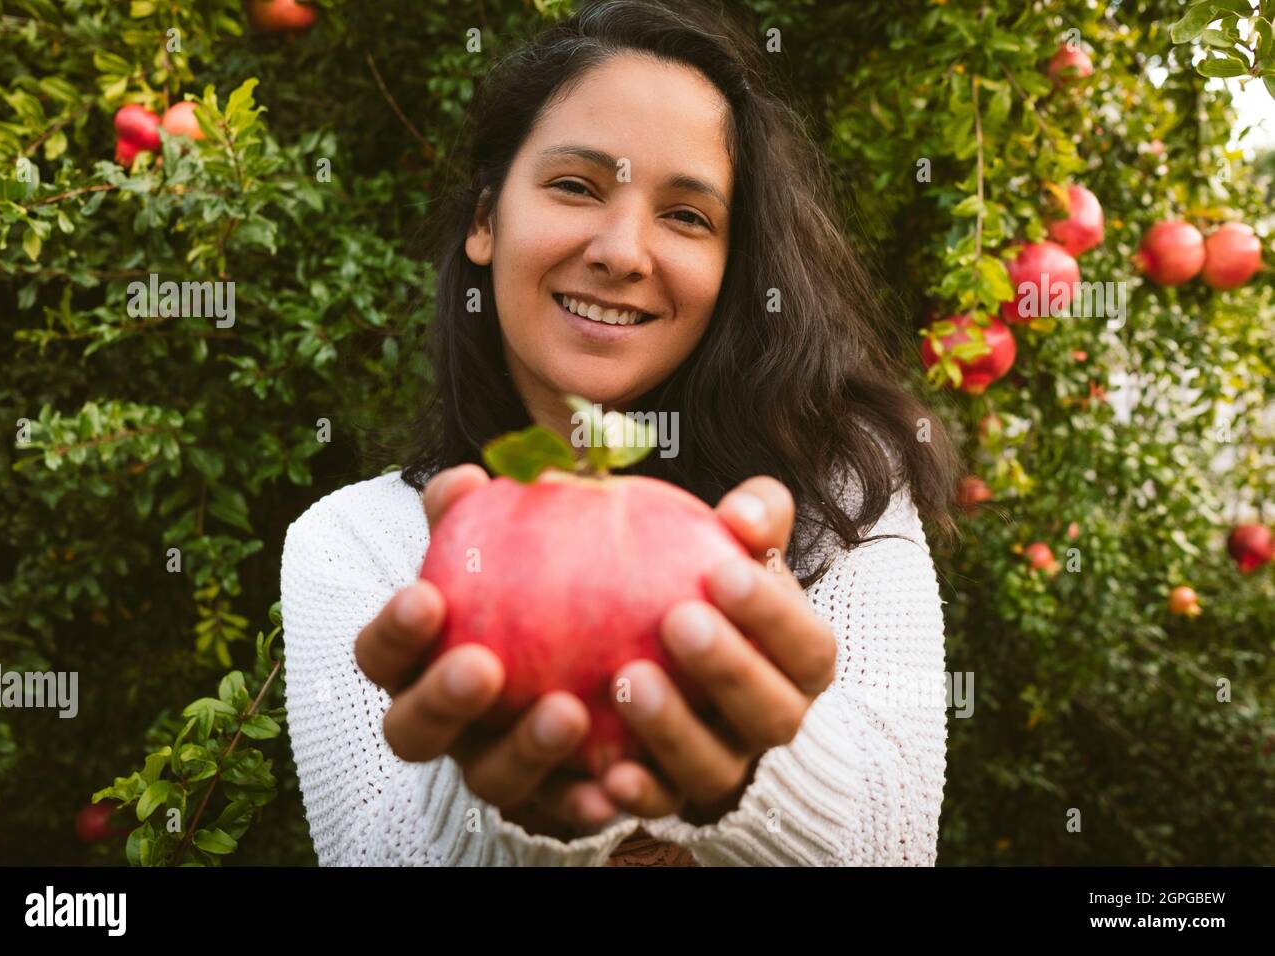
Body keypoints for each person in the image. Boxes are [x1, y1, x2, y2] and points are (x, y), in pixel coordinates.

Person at [280, 0, 960, 866]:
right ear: (486, 220)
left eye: (687, 215)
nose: (624, 251)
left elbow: (894, 848)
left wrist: (755, 770)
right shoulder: (353, 546)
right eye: (575, 186)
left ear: (728, 265)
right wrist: (509, 803)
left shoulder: (837, 503)